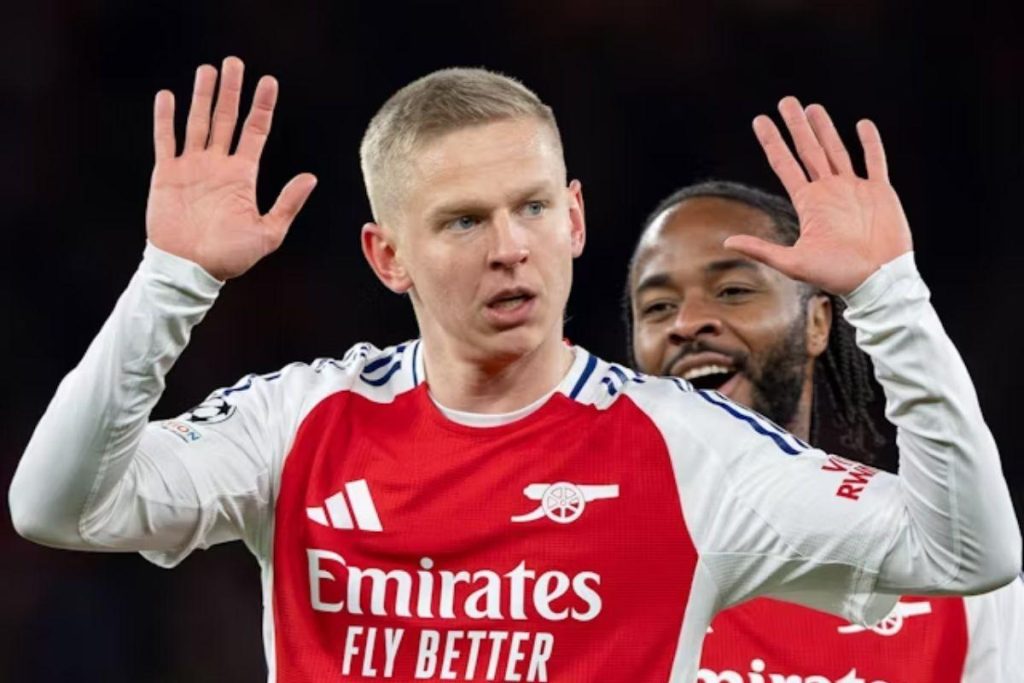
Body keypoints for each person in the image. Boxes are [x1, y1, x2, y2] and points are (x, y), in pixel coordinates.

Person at [8, 57, 1020, 683]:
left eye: (532, 207)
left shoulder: (689, 449)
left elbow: (969, 550)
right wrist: (172, 281)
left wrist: (890, 296)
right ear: (388, 256)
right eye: (462, 221)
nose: (509, 247)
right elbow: (56, 505)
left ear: (573, 217)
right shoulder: (301, 421)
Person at [626, 179, 1024, 682]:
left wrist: (889, 301)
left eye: (733, 292)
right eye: (658, 307)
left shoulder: (950, 575)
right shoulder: (579, 564)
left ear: (817, 323)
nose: (686, 322)